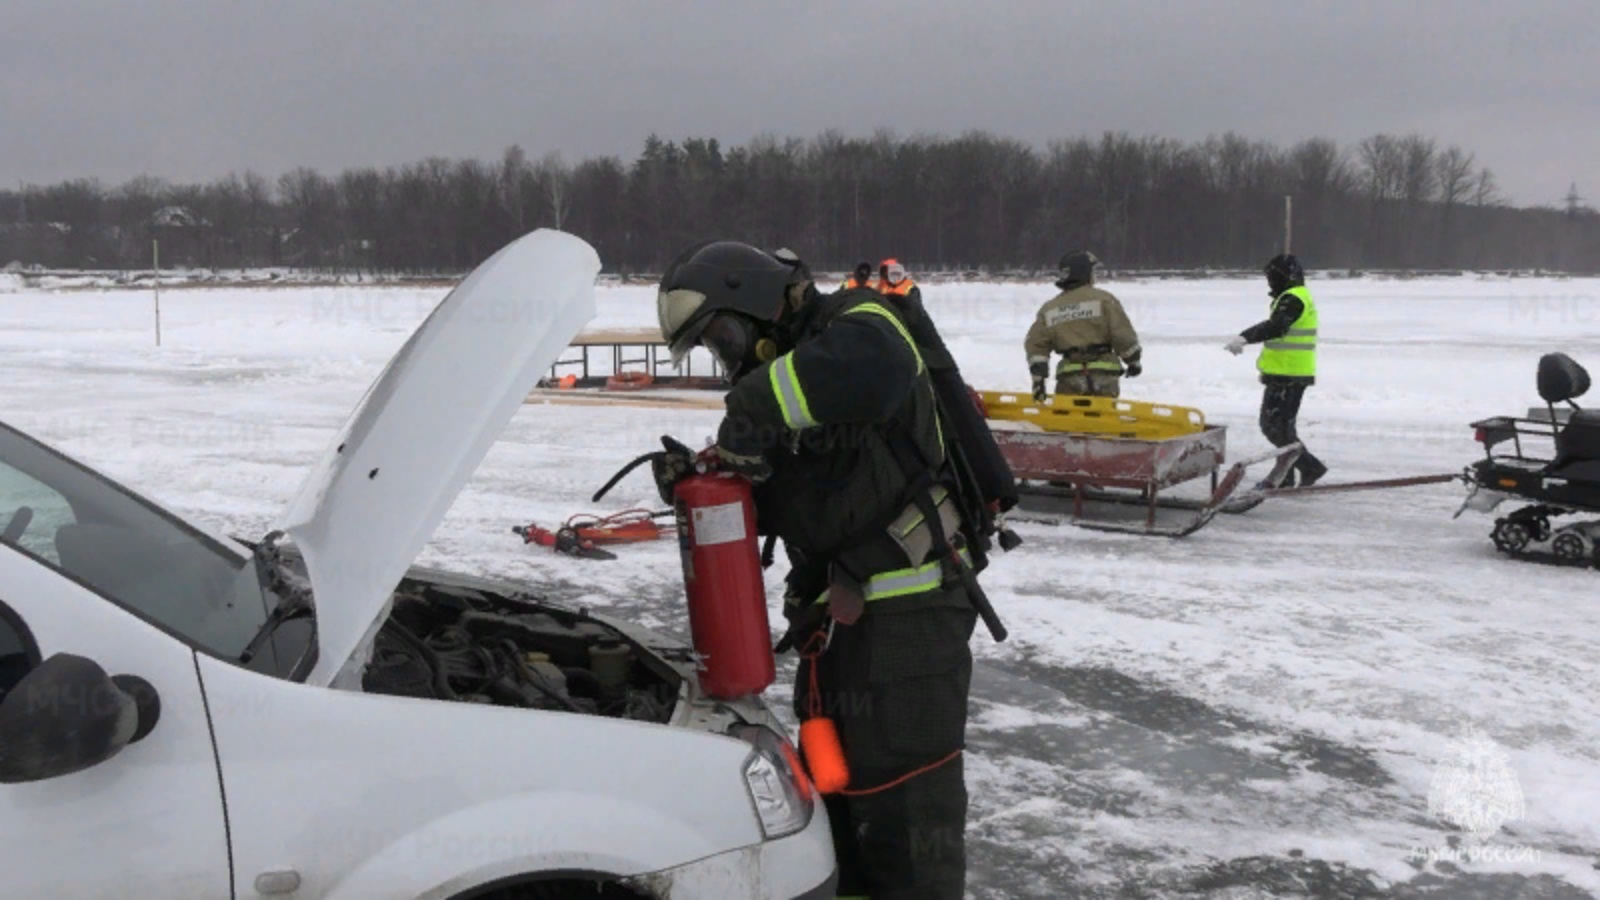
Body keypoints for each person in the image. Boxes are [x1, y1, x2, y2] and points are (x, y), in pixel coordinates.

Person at [655, 240, 985, 899]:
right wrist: (709, 480)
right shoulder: (794, 384)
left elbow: (877, 368)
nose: (727, 358)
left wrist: (750, 408)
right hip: (840, 629)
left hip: (912, 622)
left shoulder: (859, 322)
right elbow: (814, 501)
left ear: (751, 300)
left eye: (722, 335)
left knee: (906, 811)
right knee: (840, 797)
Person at [1224, 252, 1328, 487]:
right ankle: (1290, 473)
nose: (1269, 283)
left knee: (1273, 427)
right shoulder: (1294, 295)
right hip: (1288, 372)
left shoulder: (1293, 298)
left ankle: (1309, 467)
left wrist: (1244, 337)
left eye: (1272, 277)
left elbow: (1277, 327)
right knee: (1281, 428)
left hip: (1289, 374)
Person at [1024, 249, 1142, 400]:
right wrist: (1133, 361)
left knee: (1070, 419)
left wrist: (1038, 380)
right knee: (1103, 419)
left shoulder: (1050, 309)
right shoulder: (1104, 300)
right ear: (1085, 273)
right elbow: (1122, 334)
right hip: (1104, 374)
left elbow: (1036, 346)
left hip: (1068, 376)